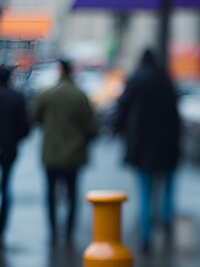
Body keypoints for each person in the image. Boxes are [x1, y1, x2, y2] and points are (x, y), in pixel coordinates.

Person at [112, 49, 180, 254]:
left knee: (144, 190)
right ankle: (166, 223)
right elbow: (175, 115)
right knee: (167, 186)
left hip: (142, 147)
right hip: (166, 145)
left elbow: (122, 108)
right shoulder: (165, 80)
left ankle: (145, 236)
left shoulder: (135, 79)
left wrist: (117, 128)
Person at [30, 59, 98, 244]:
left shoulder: (47, 95)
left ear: (59, 71)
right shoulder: (80, 96)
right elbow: (92, 127)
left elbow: (34, 117)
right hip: (74, 154)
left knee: (50, 192)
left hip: (51, 153)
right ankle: (68, 231)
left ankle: (52, 229)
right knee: (72, 193)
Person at [0, 66, 30, 247]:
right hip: (9, 149)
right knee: (6, 188)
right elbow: (24, 127)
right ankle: (2, 227)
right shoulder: (16, 97)